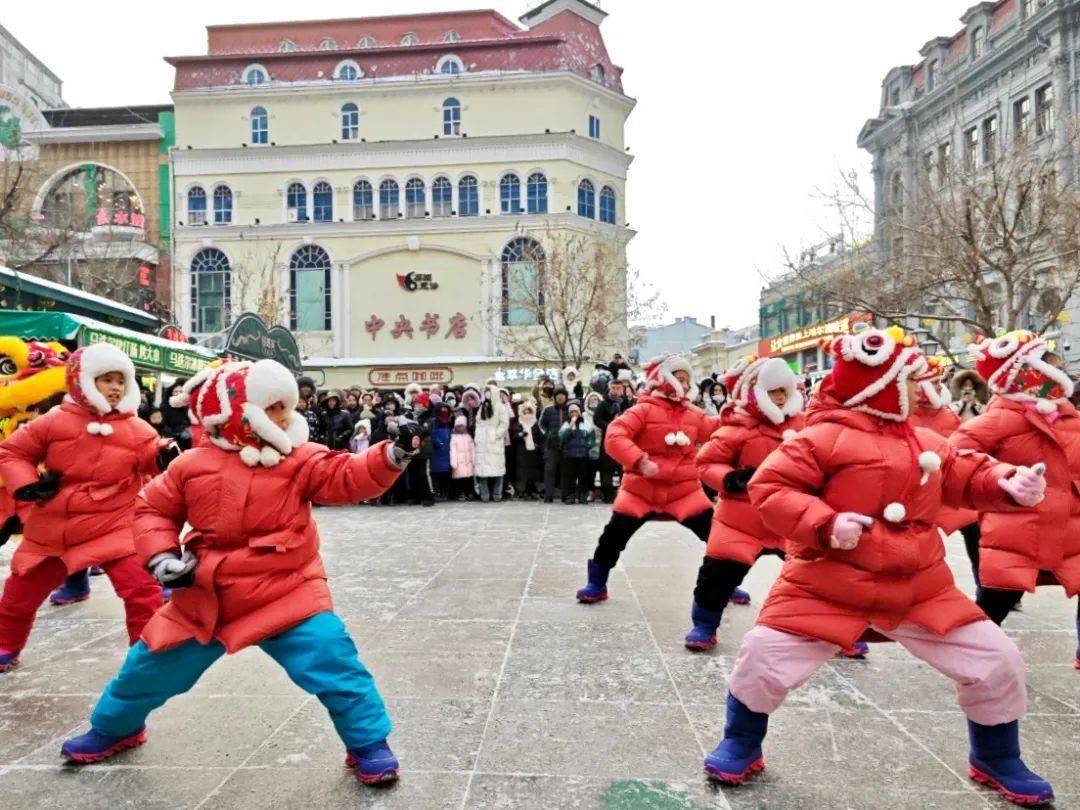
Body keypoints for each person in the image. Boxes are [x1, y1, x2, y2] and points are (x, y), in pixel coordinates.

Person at [703, 326, 1053, 807]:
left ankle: (996, 755)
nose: (920, 387)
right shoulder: (818, 438)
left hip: (919, 586)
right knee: (763, 657)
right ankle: (741, 740)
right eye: (909, 379)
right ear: (881, 385)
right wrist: (826, 524)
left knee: (997, 660)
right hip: (824, 583)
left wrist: (1007, 483)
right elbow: (771, 488)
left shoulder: (924, 440)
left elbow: (966, 472)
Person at [59, 359, 419, 784]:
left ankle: (368, 743)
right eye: (273, 408)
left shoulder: (299, 459)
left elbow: (345, 475)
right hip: (206, 591)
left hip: (287, 589)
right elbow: (152, 509)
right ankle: (115, 728)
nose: (285, 417)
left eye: (287, 407)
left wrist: (390, 456)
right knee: (149, 663)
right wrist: (161, 558)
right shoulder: (190, 465)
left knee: (332, 659)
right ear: (235, 413)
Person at [0, 344, 170, 672]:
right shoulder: (53, 422)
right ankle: (6, 644)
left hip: (115, 523)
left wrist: (165, 456)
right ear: (83, 381)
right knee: (20, 591)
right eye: (106, 379)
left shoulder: (137, 428)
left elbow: (153, 453)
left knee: (142, 588)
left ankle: (147, 652)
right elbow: (11, 452)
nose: (115, 387)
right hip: (55, 526)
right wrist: (27, 484)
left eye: (121, 380)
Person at [949, 332, 1080, 668]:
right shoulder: (999, 418)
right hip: (1017, 526)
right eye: (1051, 367)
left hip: (1071, 523)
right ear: (1027, 374)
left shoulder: (1069, 418)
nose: (1060, 373)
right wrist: (1002, 478)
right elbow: (956, 455)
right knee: (999, 597)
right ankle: (970, 651)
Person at [576, 355, 720, 603]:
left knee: (719, 537)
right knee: (613, 537)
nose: (684, 385)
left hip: (684, 492)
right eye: (679, 378)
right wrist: (639, 460)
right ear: (664, 379)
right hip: (640, 490)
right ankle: (597, 583)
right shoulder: (642, 409)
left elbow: (718, 430)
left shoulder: (694, 414)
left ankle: (724, 582)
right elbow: (615, 435)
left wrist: (737, 415)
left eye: (687, 380)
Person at [685, 357, 804, 651]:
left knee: (821, 577)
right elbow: (707, 462)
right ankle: (705, 624)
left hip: (791, 519)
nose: (779, 397)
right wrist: (732, 479)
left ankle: (839, 633)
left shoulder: (804, 425)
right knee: (717, 576)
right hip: (740, 520)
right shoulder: (737, 425)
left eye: (783, 391)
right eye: (772, 390)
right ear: (754, 391)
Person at [594, 377, 630, 503]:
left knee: (623, 469)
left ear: (622, 389)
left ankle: (623, 495)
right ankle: (608, 495)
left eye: (618, 388)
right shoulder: (603, 403)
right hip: (608, 440)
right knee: (606, 469)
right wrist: (610, 425)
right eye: (613, 388)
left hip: (624, 440)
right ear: (609, 389)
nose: (615, 391)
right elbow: (596, 419)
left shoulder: (627, 404)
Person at [474, 385, 510, 502]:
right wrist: (478, 436)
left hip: (494, 442)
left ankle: (497, 494)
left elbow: (504, 423)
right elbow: (478, 422)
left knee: (498, 469)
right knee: (482, 470)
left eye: (489, 392)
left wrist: (496, 434)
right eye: (486, 392)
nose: (487, 394)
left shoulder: (500, 407)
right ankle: (484, 494)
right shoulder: (483, 406)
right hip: (482, 441)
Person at [559, 401, 595, 504]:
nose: (574, 414)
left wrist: (588, 445)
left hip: (583, 455)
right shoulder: (566, 424)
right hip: (569, 455)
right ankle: (570, 496)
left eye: (576, 412)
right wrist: (570, 427)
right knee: (569, 477)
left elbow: (592, 437)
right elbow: (561, 437)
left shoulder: (586, 424)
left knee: (583, 476)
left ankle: (582, 496)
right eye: (572, 412)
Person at [540, 386, 570, 503]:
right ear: (555, 397)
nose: (560, 397)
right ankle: (548, 495)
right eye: (558, 395)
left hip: (567, 445)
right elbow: (541, 424)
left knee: (565, 471)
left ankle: (565, 495)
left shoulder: (570, 409)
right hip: (551, 445)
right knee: (549, 470)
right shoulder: (548, 410)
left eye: (563, 395)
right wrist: (548, 435)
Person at [512, 400, 543, 499]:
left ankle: (534, 489)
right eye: (525, 411)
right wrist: (521, 435)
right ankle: (521, 489)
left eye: (529, 411)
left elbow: (540, 436)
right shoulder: (519, 423)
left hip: (534, 452)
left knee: (534, 471)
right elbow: (515, 436)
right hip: (522, 452)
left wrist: (538, 445)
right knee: (522, 471)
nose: (527, 413)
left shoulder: (536, 424)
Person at [428, 403, 454, 501]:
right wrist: (440, 443)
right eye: (442, 410)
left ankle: (445, 493)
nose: (444, 412)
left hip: (447, 452)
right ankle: (437, 492)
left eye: (446, 410)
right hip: (436, 452)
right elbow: (432, 434)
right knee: (435, 474)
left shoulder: (448, 422)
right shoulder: (434, 422)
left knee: (446, 474)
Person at [449, 414, 476, 501]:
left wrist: (474, 460)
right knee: (459, 480)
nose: (461, 428)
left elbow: (472, 449)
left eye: (462, 426)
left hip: (468, 462)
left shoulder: (468, 436)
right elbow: (452, 451)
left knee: (469, 479)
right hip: (459, 463)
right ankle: (461, 493)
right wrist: (454, 462)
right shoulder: (454, 437)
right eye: (459, 426)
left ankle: (470, 492)